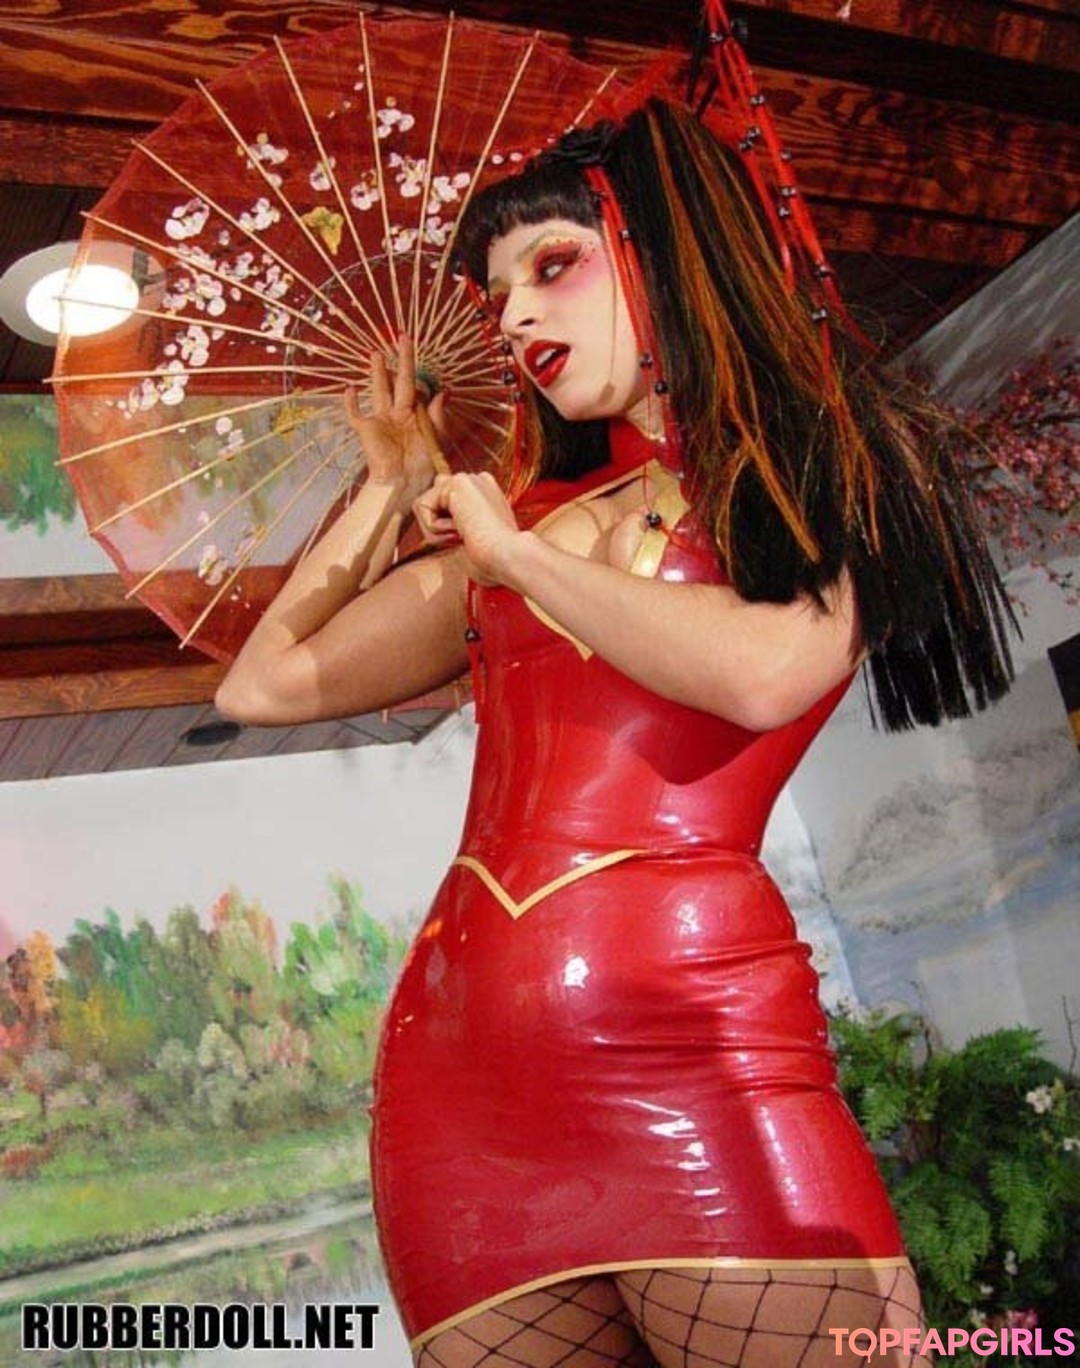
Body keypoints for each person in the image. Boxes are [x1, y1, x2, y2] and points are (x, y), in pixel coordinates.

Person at [216, 97, 1013, 1368]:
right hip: (454, 1096)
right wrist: (390, 482)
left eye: (553, 265)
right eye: (496, 296)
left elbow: (768, 672)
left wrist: (521, 562)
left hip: (695, 1053)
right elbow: (264, 685)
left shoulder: (820, 457)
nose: (514, 317)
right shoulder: (517, 525)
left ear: (666, 248)